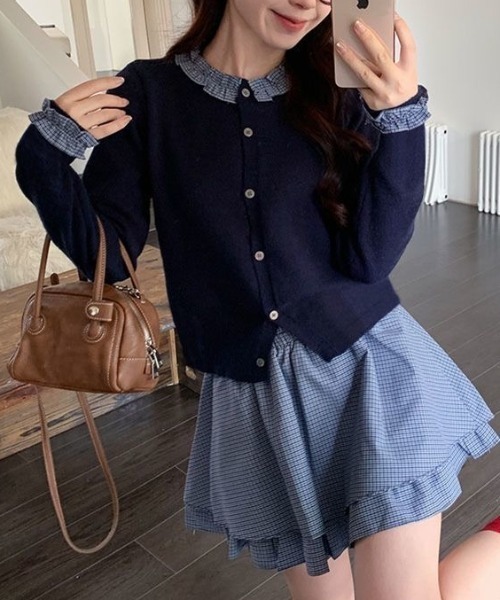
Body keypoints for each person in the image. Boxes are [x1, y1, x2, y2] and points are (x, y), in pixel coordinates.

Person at [14, 1, 500, 598]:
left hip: (369, 375)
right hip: (255, 403)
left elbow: (370, 259)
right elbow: (111, 261)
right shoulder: (148, 95)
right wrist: (42, 159)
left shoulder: (342, 91)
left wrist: (400, 123)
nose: (307, 3)